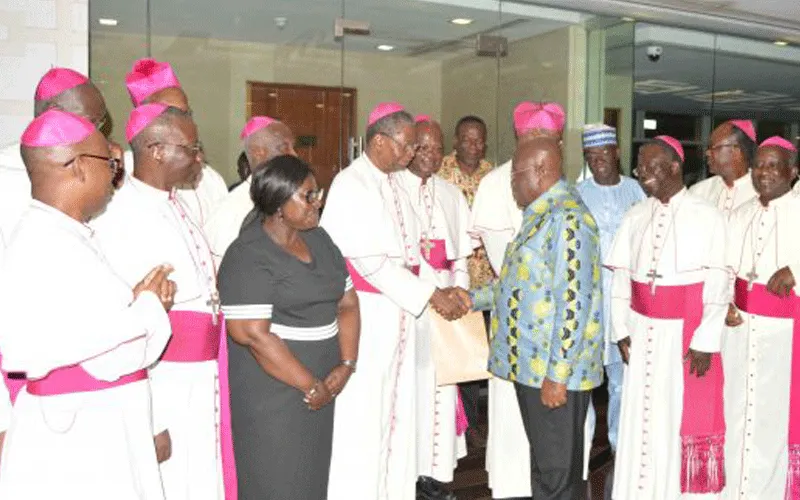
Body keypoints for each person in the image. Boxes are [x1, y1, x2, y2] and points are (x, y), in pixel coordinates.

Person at [0, 109, 175, 498]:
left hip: (95, 420)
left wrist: (134, 304)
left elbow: (83, 327)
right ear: (78, 167)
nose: (115, 176)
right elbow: (110, 355)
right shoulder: (45, 242)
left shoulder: (65, 236)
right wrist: (148, 308)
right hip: (81, 432)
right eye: (109, 163)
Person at [321, 102, 470, 500]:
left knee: (400, 414)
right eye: (405, 147)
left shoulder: (392, 182)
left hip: (400, 313)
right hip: (368, 317)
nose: (411, 155)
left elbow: (412, 253)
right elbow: (370, 263)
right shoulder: (351, 184)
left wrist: (442, 286)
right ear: (380, 141)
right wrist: (430, 293)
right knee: (366, 413)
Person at [91, 103, 232, 500]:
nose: (199, 156)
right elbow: (132, 322)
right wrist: (152, 419)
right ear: (155, 150)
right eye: (192, 147)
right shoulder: (123, 214)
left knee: (200, 479)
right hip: (167, 381)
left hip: (200, 377)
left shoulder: (176, 203)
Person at [217, 155, 360, 499]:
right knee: (275, 476)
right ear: (279, 204)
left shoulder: (320, 240)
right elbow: (253, 334)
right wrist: (310, 385)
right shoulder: (247, 254)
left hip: (324, 381)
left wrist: (346, 364)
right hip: (273, 390)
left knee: (310, 476)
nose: (318, 201)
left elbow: (348, 304)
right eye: (308, 195)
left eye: (317, 192)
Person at [471, 137, 604, 499]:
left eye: (516, 174)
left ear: (542, 169)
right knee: (547, 467)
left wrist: (557, 376)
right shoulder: (541, 214)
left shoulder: (567, 219)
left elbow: (574, 302)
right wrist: (469, 299)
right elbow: (520, 284)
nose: (512, 182)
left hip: (551, 369)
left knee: (557, 475)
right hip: (532, 364)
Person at [608, 136, 728, 499]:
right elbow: (620, 280)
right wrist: (620, 329)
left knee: (673, 416)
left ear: (675, 167)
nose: (642, 174)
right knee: (641, 417)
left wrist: (706, 340)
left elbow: (719, 282)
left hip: (683, 335)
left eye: (651, 166)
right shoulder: (636, 214)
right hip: (642, 331)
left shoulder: (707, 215)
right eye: (640, 167)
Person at [471, 101, 565, 500]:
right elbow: (506, 270)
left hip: (556, 325)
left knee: (556, 428)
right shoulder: (496, 184)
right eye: (533, 139)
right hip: (517, 320)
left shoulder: (565, 187)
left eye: (549, 141)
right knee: (513, 416)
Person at [397, 116, 472, 500]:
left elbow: (461, 259)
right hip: (408, 307)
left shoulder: (452, 195)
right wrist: (429, 292)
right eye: (421, 147)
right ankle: (406, 473)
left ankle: (435, 475)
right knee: (409, 390)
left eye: (436, 148)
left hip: (447, 309)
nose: (429, 155)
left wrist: (460, 292)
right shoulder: (391, 189)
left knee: (442, 391)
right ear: (408, 149)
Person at [724, 136, 800, 500]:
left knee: (774, 422)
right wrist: (725, 301)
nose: (763, 172)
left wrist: (797, 272)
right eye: (759, 165)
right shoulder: (740, 214)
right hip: (740, 334)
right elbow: (723, 269)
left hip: (784, 339)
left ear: (793, 171)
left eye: (773, 165)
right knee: (739, 415)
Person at [576, 124, 646, 455]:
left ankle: (621, 446)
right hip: (588, 302)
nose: (599, 161)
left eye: (604, 154)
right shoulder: (577, 194)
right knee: (584, 381)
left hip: (625, 302)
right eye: (591, 156)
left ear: (616, 152)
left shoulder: (637, 192)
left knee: (622, 380)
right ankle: (583, 446)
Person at [437, 114, 494, 449]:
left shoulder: (494, 175)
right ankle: (458, 424)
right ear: (455, 141)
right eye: (467, 139)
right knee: (454, 357)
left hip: (488, 285)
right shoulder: (440, 172)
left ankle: (475, 422)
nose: (473, 146)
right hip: (451, 283)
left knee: (478, 357)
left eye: (479, 140)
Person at [124, 58, 229, 225]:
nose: (181, 120)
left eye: (185, 112)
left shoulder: (212, 180)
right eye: (169, 113)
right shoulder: (124, 174)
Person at [204, 116, 297, 263]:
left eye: (293, 147)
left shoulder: (286, 197)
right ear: (258, 152)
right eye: (284, 147)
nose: (294, 154)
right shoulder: (233, 210)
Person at [690, 120, 757, 218]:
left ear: (736, 152)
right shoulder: (698, 191)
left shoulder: (761, 194)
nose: (707, 153)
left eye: (713, 147)